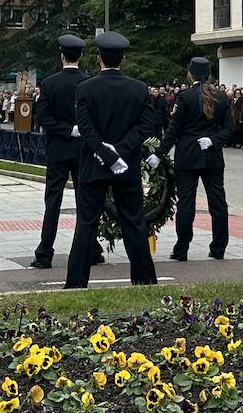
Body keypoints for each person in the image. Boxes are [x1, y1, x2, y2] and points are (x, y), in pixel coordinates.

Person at [64, 32, 159, 290]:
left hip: (94, 165)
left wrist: (106, 153)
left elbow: (85, 128)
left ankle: (75, 282)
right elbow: (147, 125)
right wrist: (121, 151)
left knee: (86, 223)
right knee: (134, 222)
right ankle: (144, 279)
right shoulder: (138, 88)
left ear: (98, 59)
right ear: (124, 58)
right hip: (125, 165)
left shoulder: (85, 88)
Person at [30, 34, 105, 271]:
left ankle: (45, 252)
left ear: (61, 55)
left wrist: (66, 129)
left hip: (58, 150)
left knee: (53, 201)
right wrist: (80, 130)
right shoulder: (89, 82)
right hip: (84, 150)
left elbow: (42, 118)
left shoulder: (49, 84)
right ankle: (91, 248)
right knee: (86, 200)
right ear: (81, 56)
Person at [158, 57, 233, 261]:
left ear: (190, 74)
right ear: (209, 74)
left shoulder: (185, 97)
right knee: (218, 203)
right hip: (212, 156)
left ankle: (182, 248)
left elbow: (174, 130)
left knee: (186, 204)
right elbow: (228, 129)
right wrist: (213, 140)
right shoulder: (220, 96)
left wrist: (159, 154)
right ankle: (219, 247)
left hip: (188, 156)